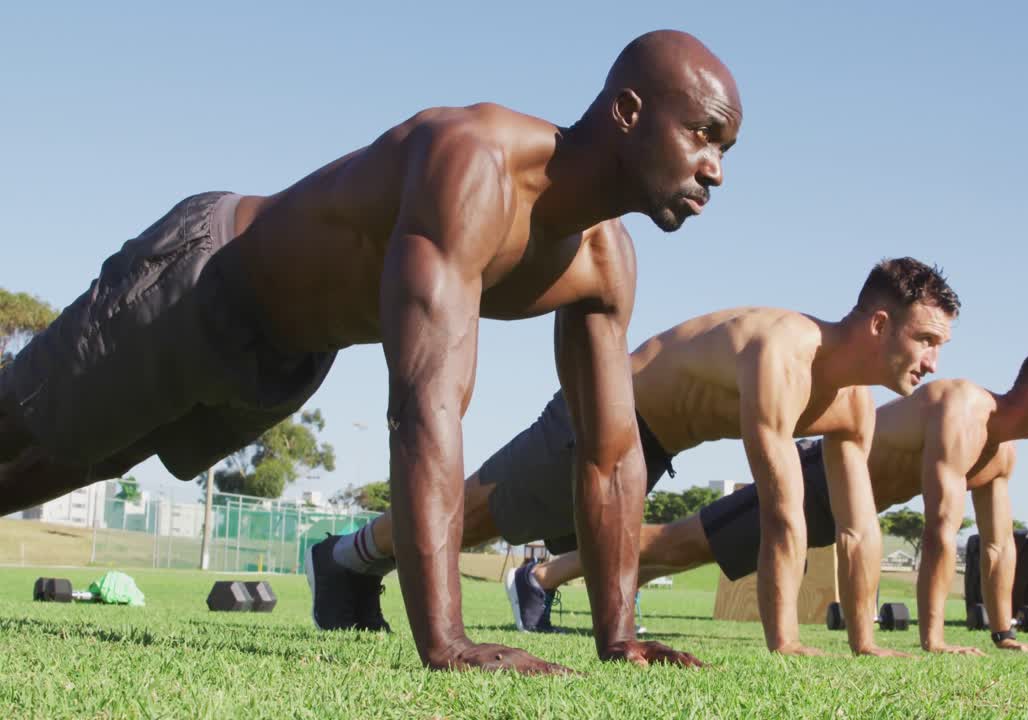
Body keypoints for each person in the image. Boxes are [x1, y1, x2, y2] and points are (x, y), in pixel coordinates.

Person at [0, 29, 742, 675]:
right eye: (703, 134)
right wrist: (446, 640)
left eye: (726, 148)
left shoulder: (606, 263)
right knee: (21, 416)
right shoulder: (474, 165)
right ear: (628, 113)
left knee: (93, 456)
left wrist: (619, 636)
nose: (715, 169)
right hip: (205, 278)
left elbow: (609, 457)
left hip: (286, 362)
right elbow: (427, 408)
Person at [310, 257, 960, 658]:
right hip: (605, 410)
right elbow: (784, 513)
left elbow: (858, 528)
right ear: (879, 324)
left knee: (480, 523)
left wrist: (865, 641)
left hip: (653, 447)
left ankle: (350, 561)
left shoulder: (852, 407)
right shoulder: (784, 350)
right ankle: (342, 558)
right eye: (925, 339)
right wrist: (785, 641)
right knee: (474, 516)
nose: (933, 362)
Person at [514, 342, 1028, 654]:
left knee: (690, 550)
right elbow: (941, 529)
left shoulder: (1002, 455)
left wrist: (1003, 632)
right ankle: (540, 578)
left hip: (849, 503)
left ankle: (571, 577)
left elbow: (996, 548)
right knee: (683, 543)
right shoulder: (963, 408)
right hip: (820, 475)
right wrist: (935, 640)